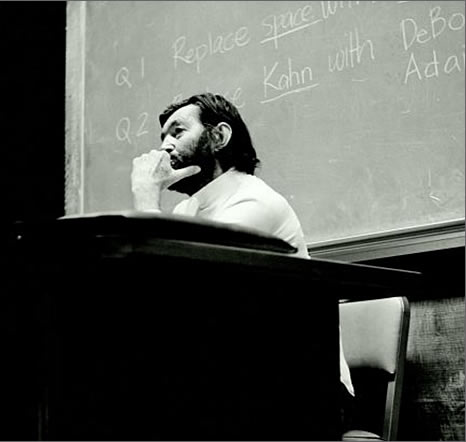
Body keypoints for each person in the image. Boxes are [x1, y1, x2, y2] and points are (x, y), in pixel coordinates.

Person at [130, 92, 355, 428]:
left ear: (219, 137)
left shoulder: (254, 201)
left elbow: (190, 292)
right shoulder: (187, 210)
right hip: (240, 376)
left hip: (304, 387)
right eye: (162, 137)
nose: (165, 147)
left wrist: (147, 198)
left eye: (177, 132)